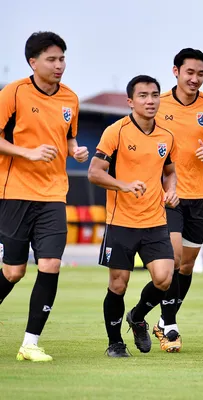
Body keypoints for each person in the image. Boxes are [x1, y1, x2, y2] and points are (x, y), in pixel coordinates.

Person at [0, 31, 88, 362]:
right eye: (51, 59)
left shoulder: (71, 98)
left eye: (62, 58)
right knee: (14, 272)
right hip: (15, 192)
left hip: (53, 194)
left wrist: (75, 151)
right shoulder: (14, 92)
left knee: (50, 264)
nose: (59, 65)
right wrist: (28, 152)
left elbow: (68, 138)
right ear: (32, 62)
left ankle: (30, 344)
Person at [150, 48, 203, 352]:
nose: (195, 79)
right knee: (174, 259)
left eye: (201, 74)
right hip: (168, 196)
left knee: (186, 266)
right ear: (176, 71)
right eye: (190, 72)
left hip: (199, 196)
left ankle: (160, 321)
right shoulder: (158, 104)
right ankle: (170, 326)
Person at [88, 75, 179, 357]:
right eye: (143, 95)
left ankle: (137, 316)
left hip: (155, 221)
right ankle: (115, 343)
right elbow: (94, 173)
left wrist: (171, 190)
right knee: (118, 284)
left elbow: (170, 172)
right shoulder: (115, 132)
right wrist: (123, 185)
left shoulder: (167, 136)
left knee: (164, 279)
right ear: (130, 101)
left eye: (155, 95)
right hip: (121, 222)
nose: (150, 101)